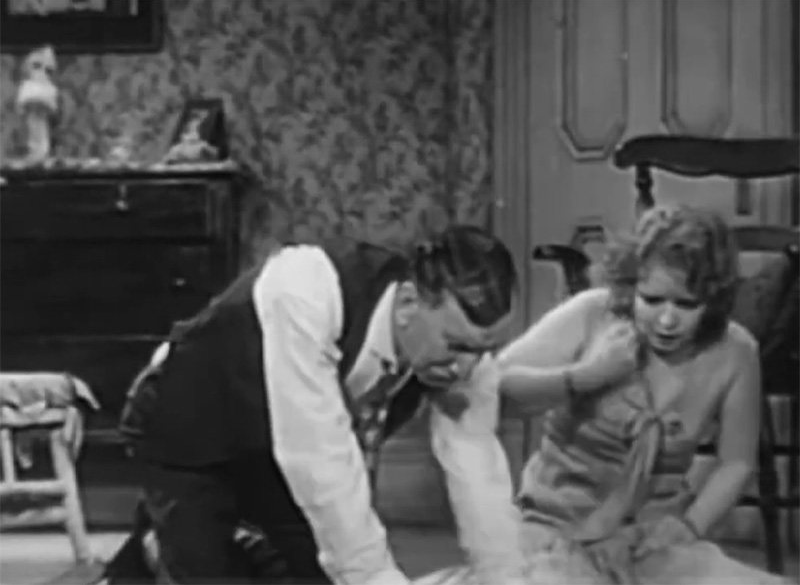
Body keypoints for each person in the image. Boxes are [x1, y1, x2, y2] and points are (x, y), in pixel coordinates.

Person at [105, 224, 527, 585]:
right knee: (208, 571)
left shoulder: (462, 361)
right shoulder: (308, 289)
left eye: (483, 350)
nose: (466, 366)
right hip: (187, 431)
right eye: (456, 345)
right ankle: (149, 555)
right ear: (408, 303)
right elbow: (317, 456)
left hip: (273, 456)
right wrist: (374, 577)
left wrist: (506, 579)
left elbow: (478, 468)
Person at [417, 205, 790, 585]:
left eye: (686, 304)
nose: (667, 320)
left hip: (651, 542)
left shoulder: (735, 350)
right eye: (652, 300)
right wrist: (584, 377)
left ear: (712, 299)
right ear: (631, 286)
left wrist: (689, 526)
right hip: (557, 534)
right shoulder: (594, 313)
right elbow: (489, 391)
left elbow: (736, 463)